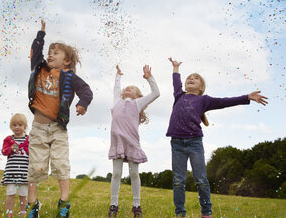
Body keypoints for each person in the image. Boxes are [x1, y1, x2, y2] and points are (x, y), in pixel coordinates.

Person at [167, 57, 268, 218]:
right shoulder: (179, 95)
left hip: (194, 144)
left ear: (201, 88)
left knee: (201, 179)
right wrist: (176, 69)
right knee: (179, 181)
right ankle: (180, 213)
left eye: (196, 78)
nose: (191, 79)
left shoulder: (204, 100)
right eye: (189, 78)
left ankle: (206, 213)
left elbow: (224, 102)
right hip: (177, 144)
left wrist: (247, 97)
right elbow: (176, 82)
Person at [26, 20, 93, 218]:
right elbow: (35, 51)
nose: (50, 55)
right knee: (35, 166)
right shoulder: (39, 68)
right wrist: (41, 34)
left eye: (56, 53)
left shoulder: (69, 76)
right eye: (50, 52)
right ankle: (32, 204)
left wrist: (83, 104)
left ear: (66, 61)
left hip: (58, 128)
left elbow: (86, 91)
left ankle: (64, 202)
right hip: (38, 128)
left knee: (61, 164)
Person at [108, 65, 160, 218]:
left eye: (131, 88)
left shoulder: (137, 104)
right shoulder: (116, 101)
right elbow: (116, 89)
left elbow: (156, 93)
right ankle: (113, 204)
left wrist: (149, 77)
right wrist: (118, 76)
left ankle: (136, 205)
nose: (127, 88)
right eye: (126, 87)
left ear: (138, 96)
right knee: (116, 173)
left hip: (132, 143)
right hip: (117, 142)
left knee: (134, 173)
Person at [1, 113, 30, 217]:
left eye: (20, 125)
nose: (17, 127)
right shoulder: (8, 139)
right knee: (10, 193)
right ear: (11, 127)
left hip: (24, 172)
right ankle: (9, 213)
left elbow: (33, 152)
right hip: (11, 172)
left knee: (23, 195)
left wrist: (31, 158)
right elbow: (4, 151)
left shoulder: (29, 139)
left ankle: (23, 213)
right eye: (14, 125)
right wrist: (10, 149)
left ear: (25, 126)